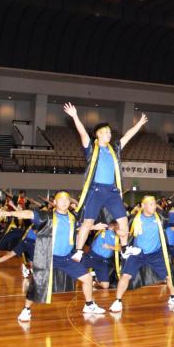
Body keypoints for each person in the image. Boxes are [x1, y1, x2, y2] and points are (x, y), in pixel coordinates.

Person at [3, 191, 107, 322]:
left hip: (65, 257)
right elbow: (29, 214)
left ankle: (89, 305)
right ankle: (26, 310)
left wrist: (93, 226)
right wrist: (12, 213)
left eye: (67, 200)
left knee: (86, 278)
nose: (64, 202)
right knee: (37, 284)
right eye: (61, 200)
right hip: (47, 257)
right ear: (55, 202)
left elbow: (78, 228)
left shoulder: (72, 217)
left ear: (70, 203)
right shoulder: (47, 216)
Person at [65, 102, 148, 262]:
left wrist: (139, 124)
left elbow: (128, 136)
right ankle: (79, 251)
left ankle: (125, 249)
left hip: (112, 191)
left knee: (123, 221)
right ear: (99, 134)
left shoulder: (114, 149)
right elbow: (82, 134)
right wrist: (75, 116)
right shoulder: (91, 149)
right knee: (88, 222)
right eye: (107, 132)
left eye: (110, 132)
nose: (110, 134)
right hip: (96, 190)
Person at [110, 196, 174, 313]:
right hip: (137, 253)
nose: (153, 207)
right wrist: (118, 230)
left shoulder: (161, 216)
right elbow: (114, 225)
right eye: (150, 204)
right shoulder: (133, 218)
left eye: (154, 204)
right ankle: (117, 301)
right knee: (125, 276)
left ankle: (173, 297)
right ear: (143, 206)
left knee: (170, 275)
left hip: (156, 254)